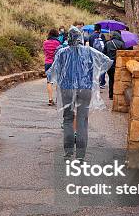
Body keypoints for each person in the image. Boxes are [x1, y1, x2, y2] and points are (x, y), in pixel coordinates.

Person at [48, 27, 112, 160]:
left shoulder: (62, 52)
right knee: (82, 120)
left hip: (66, 88)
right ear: (81, 38)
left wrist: (59, 77)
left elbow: (51, 72)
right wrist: (94, 74)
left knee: (68, 119)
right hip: (85, 88)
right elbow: (107, 61)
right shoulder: (88, 51)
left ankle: (68, 152)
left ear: (68, 38)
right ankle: (81, 155)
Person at [103, 31, 126, 100]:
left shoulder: (107, 43)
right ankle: (117, 95)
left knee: (111, 79)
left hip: (110, 64)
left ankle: (111, 95)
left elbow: (104, 53)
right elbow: (124, 54)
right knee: (118, 79)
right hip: (118, 64)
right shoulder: (122, 44)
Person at [43, 29, 61, 106]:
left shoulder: (45, 43)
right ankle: (58, 99)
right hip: (56, 63)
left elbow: (44, 52)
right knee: (58, 81)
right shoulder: (58, 43)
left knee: (49, 82)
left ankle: (50, 99)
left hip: (47, 62)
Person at [89, 24, 107, 89]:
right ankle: (101, 83)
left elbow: (90, 46)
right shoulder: (101, 35)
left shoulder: (91, 36)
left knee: (94, 68)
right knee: (102, 68)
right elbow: (105, 46)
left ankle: (94, 82)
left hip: (93, 54)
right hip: (101, 55)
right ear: (100, 29)